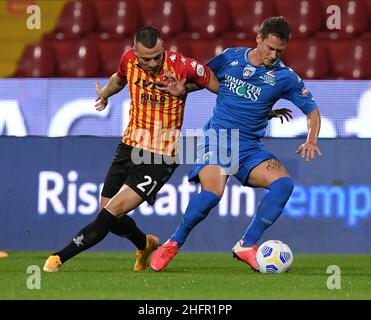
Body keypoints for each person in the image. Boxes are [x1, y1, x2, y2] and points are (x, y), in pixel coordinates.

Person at [150, 16, 322, 272]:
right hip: (218, 138)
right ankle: (174, 242)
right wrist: (182, 90)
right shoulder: (230, 57)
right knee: (213, 193)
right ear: (259, 38)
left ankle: (247, 244)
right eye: (270, 48)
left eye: (279, 51)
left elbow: (312, 110)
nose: (273, 55)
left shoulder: (284, 77)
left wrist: (311, 139)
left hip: (250, 147)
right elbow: (205, 79)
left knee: (284, 184)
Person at [43, 26, 219, 272]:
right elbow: (119, 79)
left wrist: (187, 89)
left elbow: (215, 82)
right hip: (129, 145)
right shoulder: (127, 60)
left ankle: (59, 257)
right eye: (146, 58)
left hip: (161, 155)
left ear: (163, 47)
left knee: (109, 213)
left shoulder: (182, 66)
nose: (153, 63)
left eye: (158, 56)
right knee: (108, 214)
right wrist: (105, 94)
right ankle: (144, 243)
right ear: (135, 52)